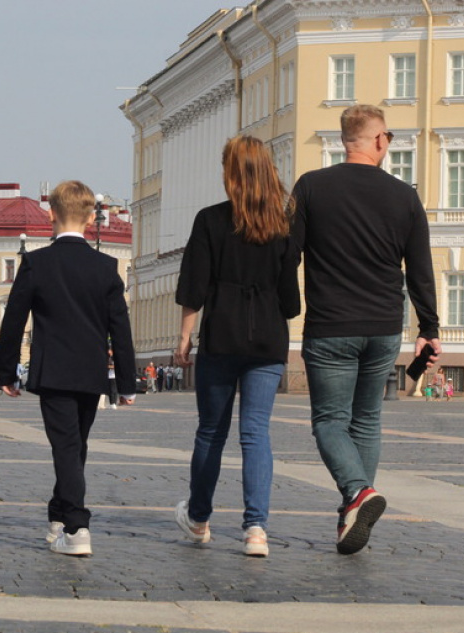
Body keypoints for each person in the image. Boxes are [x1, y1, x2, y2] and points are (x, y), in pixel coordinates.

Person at [290, 104, 441, 555]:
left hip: (330, 325)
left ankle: (359, 493)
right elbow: (420, 267)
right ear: (378, 140)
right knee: (367, 420)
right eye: (388, 137)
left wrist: (284, 307)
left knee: (329, 421)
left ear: (344, 140)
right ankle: (352, 514)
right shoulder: (404, 196)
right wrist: (428, 326)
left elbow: (288, 254)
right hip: (383, 326)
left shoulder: (311, 187)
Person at [173, 135, 301, 558]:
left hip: (222, 337)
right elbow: (291, 300)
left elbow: (194, 287)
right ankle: (256, 529)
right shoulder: (282, 225)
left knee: (211, 431)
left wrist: (184, 337)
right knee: (255, 432)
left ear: (230, 172)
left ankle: (198, 519)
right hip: (268, 339)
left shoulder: (210, 220)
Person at [0, 179, 136, 557]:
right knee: (75, 446)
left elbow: (14, 320)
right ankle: (59, 516)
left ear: (51, 215)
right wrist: (127, 382)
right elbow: (120, 328)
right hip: (91, 373)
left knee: (67, 447)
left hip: (54, 372)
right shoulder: (106, 267)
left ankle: (76, 527)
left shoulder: (37, 263)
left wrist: (6, 372)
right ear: (91, 219)